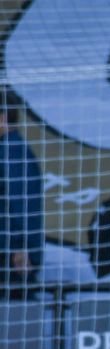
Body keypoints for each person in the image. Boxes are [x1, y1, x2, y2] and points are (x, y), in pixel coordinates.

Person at [0, 87, 43, 299]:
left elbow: (20, 203)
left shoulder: (13, 151)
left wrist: (22, 248)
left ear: (2, 117)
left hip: (11, 258)